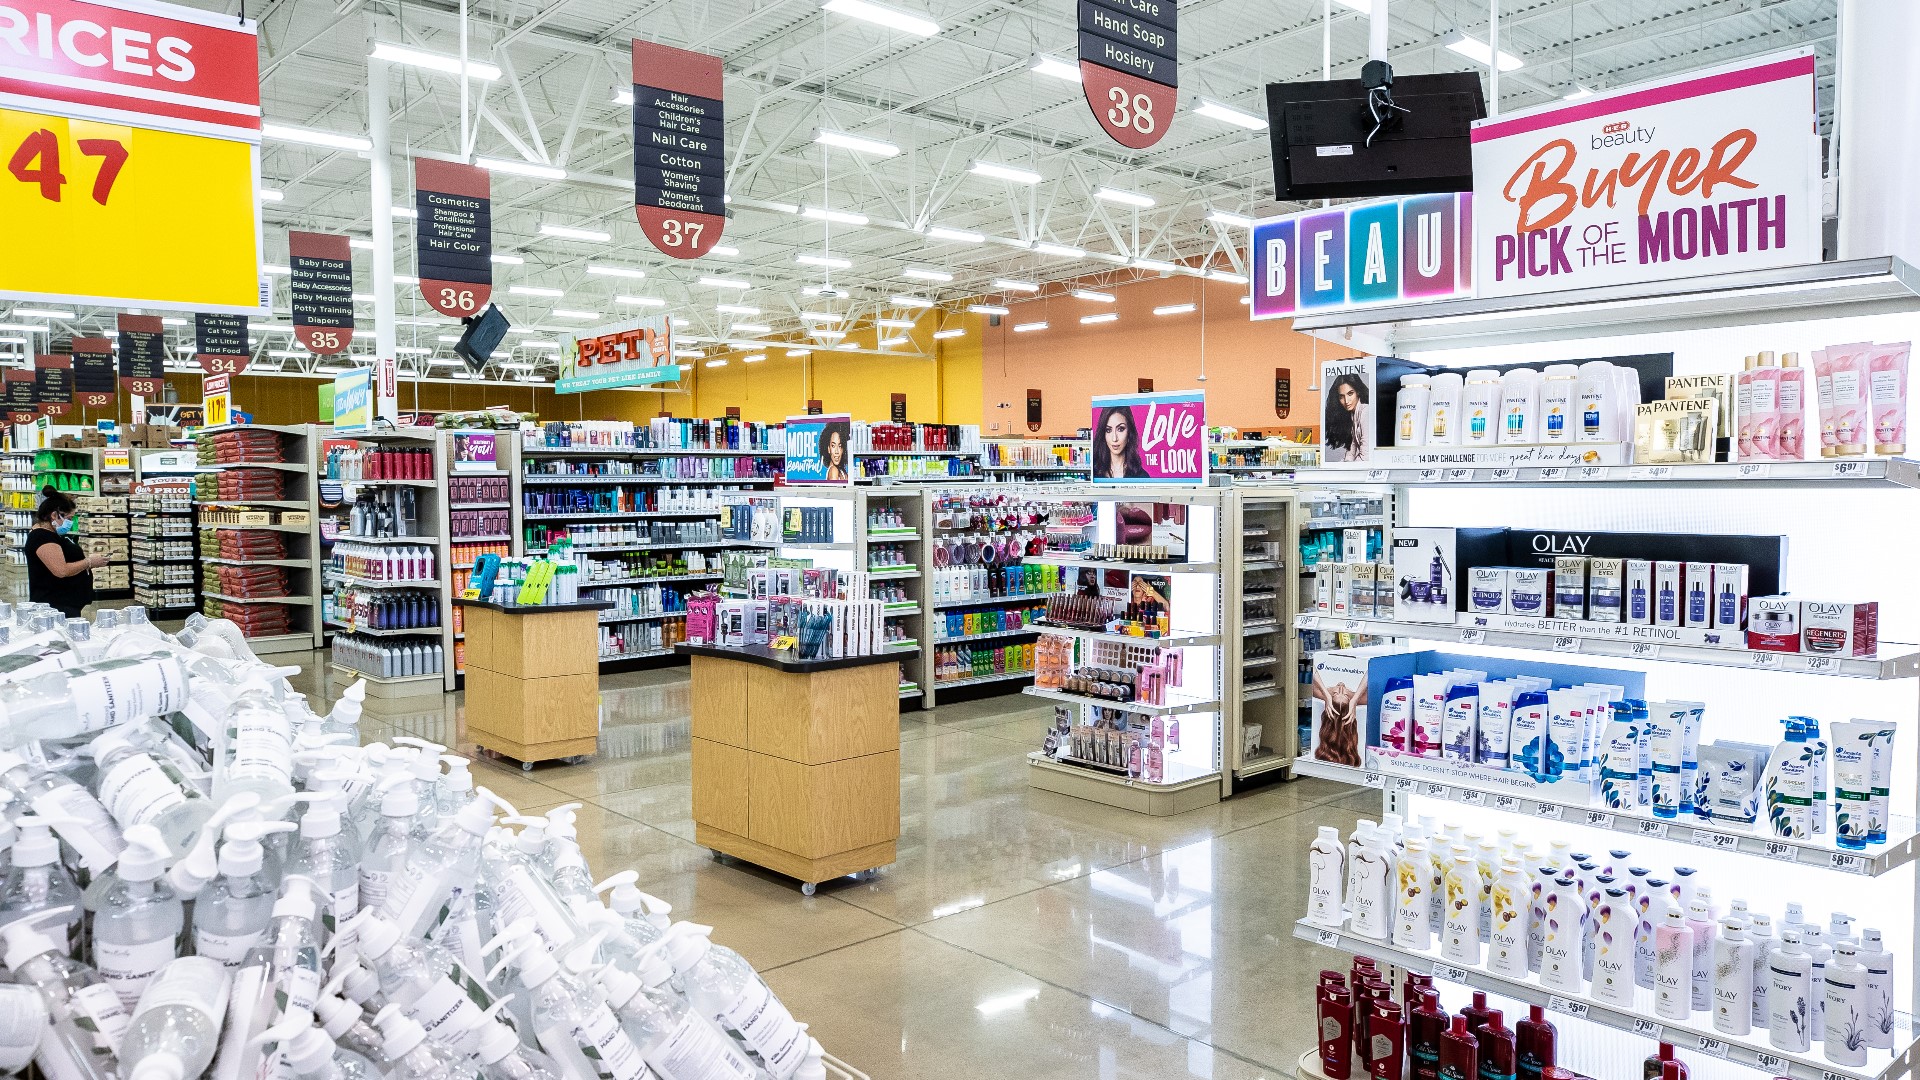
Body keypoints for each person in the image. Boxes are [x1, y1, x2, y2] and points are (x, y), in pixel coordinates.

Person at [26, 487, 103, 619]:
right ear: (54, 515)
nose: (70, 523)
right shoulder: (43, 538)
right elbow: (61, 570)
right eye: (69, 518)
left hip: (65, 604)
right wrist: (88, 562)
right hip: (56, 607)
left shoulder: (50, 534)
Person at [1323, 373, 1372, 462]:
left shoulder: (1366, 412)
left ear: (1358, 392)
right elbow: (1351, 449)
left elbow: (1366, 456)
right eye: (1341, 396)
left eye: (1350, 394)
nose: (1346, 401)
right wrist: (1344, 463)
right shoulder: (1353, 414)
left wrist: (1346, 469)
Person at [1093, 405, 1150, 479]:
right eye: (1108, 430)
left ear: (1129, 432)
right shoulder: (1094, 472)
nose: (1114, 438)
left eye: (1120, 429)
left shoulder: (1141, 476)